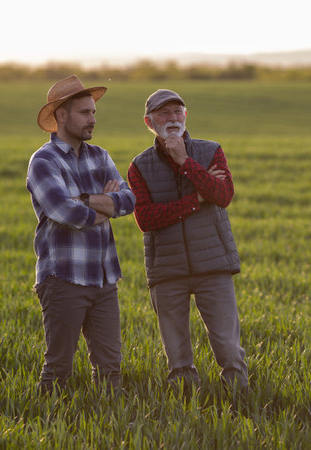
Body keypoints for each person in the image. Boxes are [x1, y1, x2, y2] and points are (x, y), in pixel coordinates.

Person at [128, 89, 248, 392]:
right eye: (163, 113)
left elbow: (223, 196)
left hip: (214, 266)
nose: (172, 118)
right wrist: (196, 198)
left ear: (186, 116)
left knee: (229, 350)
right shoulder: (139, 166)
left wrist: (185, 161)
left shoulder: (211, 151)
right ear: (149, 122)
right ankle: (186, 410)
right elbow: (145, 219)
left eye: (177, 111)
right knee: (178, 358)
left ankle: (241, 403)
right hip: (167, 271)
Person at [26, 74, 135, 394]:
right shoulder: (43, 161)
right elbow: (64, 211)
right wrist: (104, 204)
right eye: (85, 113)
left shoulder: (99, 156)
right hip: (63, 277)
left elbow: (128, 201)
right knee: (58, 369)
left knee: (111, 371)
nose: (93, 119)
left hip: (104, 278)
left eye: (94, 112)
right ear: (61, 115)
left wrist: (85, 200)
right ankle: (44, 429)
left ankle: (110, 431)